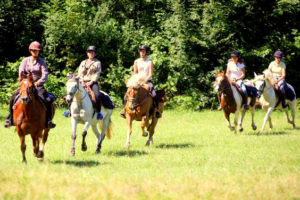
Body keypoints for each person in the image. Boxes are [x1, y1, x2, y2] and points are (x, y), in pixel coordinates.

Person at [4, 41, 56, 128]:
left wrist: (38, 82)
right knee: (13, 97)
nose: (35, 52)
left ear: (39, 51)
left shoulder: (42, 62)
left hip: (37, 85)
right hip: (26, 84)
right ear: (30, 51)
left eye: (37, 50)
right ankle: (10, 119)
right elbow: (21, 71)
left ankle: (48, 120)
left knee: (46, 99)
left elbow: (45, 74)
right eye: (33, 50)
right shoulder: (25, 60)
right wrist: (24, 81)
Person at [120, 45, 161, 118]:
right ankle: (124, 110)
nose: (142, 53)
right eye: (141, 51)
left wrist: (144, 81)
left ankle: (156, 110)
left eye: (143, 51)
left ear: (146, 52)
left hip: (147, 81)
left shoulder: (149, 62)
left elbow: (150, 74)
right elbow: (135, 73)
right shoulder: (136, 61)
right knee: (127, 94)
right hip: (137, 81)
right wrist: (134, 81)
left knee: (154, 94)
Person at [77, 46, 103, 119]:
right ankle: (69, 111)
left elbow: (97, 73)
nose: (91, 54)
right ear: (87, 53)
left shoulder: (97, 62)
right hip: (82, 81)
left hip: (92, 82)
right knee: (73, 93)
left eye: (92, 52)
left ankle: (98, 112)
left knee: (97, 95)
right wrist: (82, 81)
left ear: (95, 54)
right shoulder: (83, 62)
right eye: (89, 52)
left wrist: (91, 82)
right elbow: (80, 73)